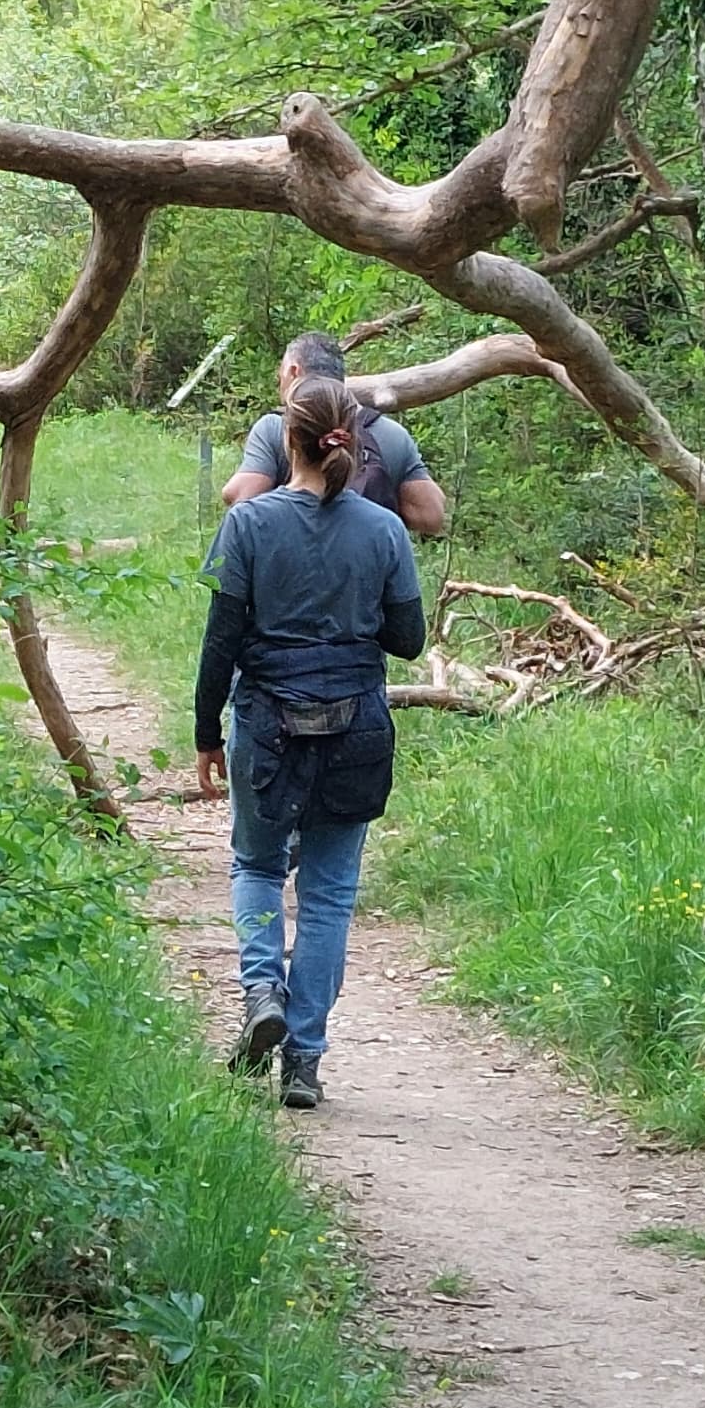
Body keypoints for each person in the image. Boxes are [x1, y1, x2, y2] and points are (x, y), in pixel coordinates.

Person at [195, 374, 427, 1109]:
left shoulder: (247, 524)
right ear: (351, 442)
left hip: (267, 725)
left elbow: (221, 640)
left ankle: (262, 991)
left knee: (257, 864)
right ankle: (303, 1061)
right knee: (328, 897)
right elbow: (409, 640)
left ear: (285, 441)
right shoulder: (384, 530)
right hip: (356, 727)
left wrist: (206, 733)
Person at [222, 330, 448, 539]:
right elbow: (431, 515)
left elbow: (243, 499)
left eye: (280, 375)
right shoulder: (392, 434)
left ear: (293, 371)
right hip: (365, 562)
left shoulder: (275, 428)